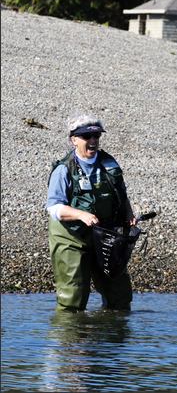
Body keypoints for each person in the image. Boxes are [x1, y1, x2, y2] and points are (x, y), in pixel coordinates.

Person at [46, 115, 136, 312]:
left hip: (104, 235)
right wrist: (81, 215)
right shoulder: (64, 169)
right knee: (73, 297)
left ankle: (113, 338)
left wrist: (128, 214)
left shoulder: (109, 163)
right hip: (71, 235)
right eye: (86, 136)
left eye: (96, 135)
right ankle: (71, 339)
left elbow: (121, 193)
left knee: (119, 295)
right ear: (74, 139)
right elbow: (54, 208)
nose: (93, 140)